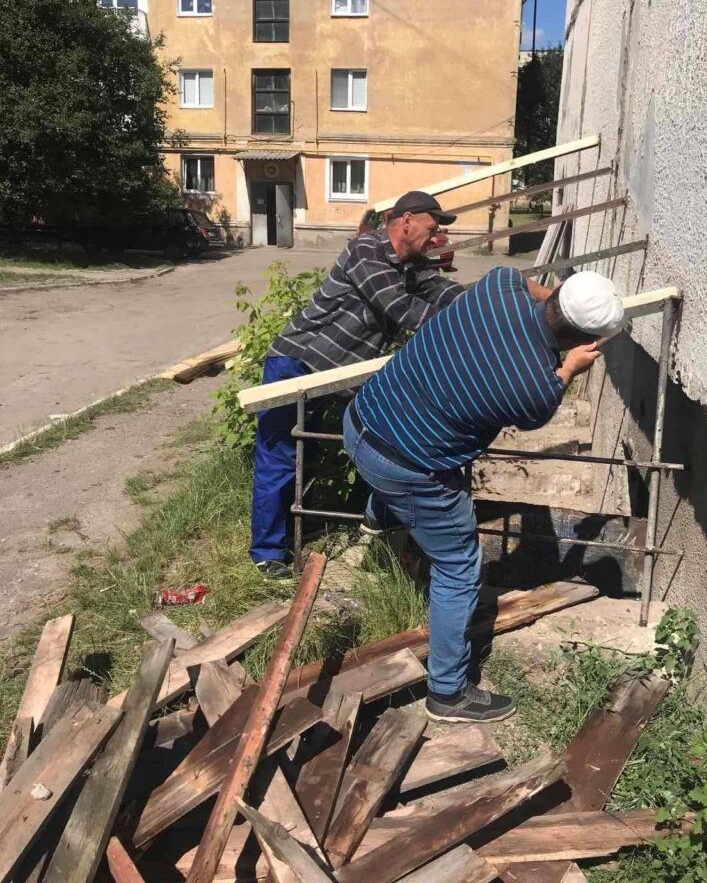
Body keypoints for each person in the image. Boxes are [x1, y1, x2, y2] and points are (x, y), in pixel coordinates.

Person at [343, 268, 626, 723]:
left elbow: (529, 286)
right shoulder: (536, 390)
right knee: (458, 566)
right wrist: (571, 367)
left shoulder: (497, 286)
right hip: (404, 468)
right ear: (586, 340)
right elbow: (547, 395)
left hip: (362, 420)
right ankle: (448, 693)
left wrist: (557, 302)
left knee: (407, 445)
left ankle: (378, 519)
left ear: (558, 291)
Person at [250, 191, 464, 578]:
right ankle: (268, 552)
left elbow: (440, 290)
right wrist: (464, 326)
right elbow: (401, 308)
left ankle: (301, 526)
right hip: (296, 363)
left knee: (311, 452)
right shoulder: (366, 250)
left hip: (335, 375)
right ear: (406, 222)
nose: (435, 238)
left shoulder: (409, 265)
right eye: (431, 228)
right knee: (279, 456)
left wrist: (487, 300)